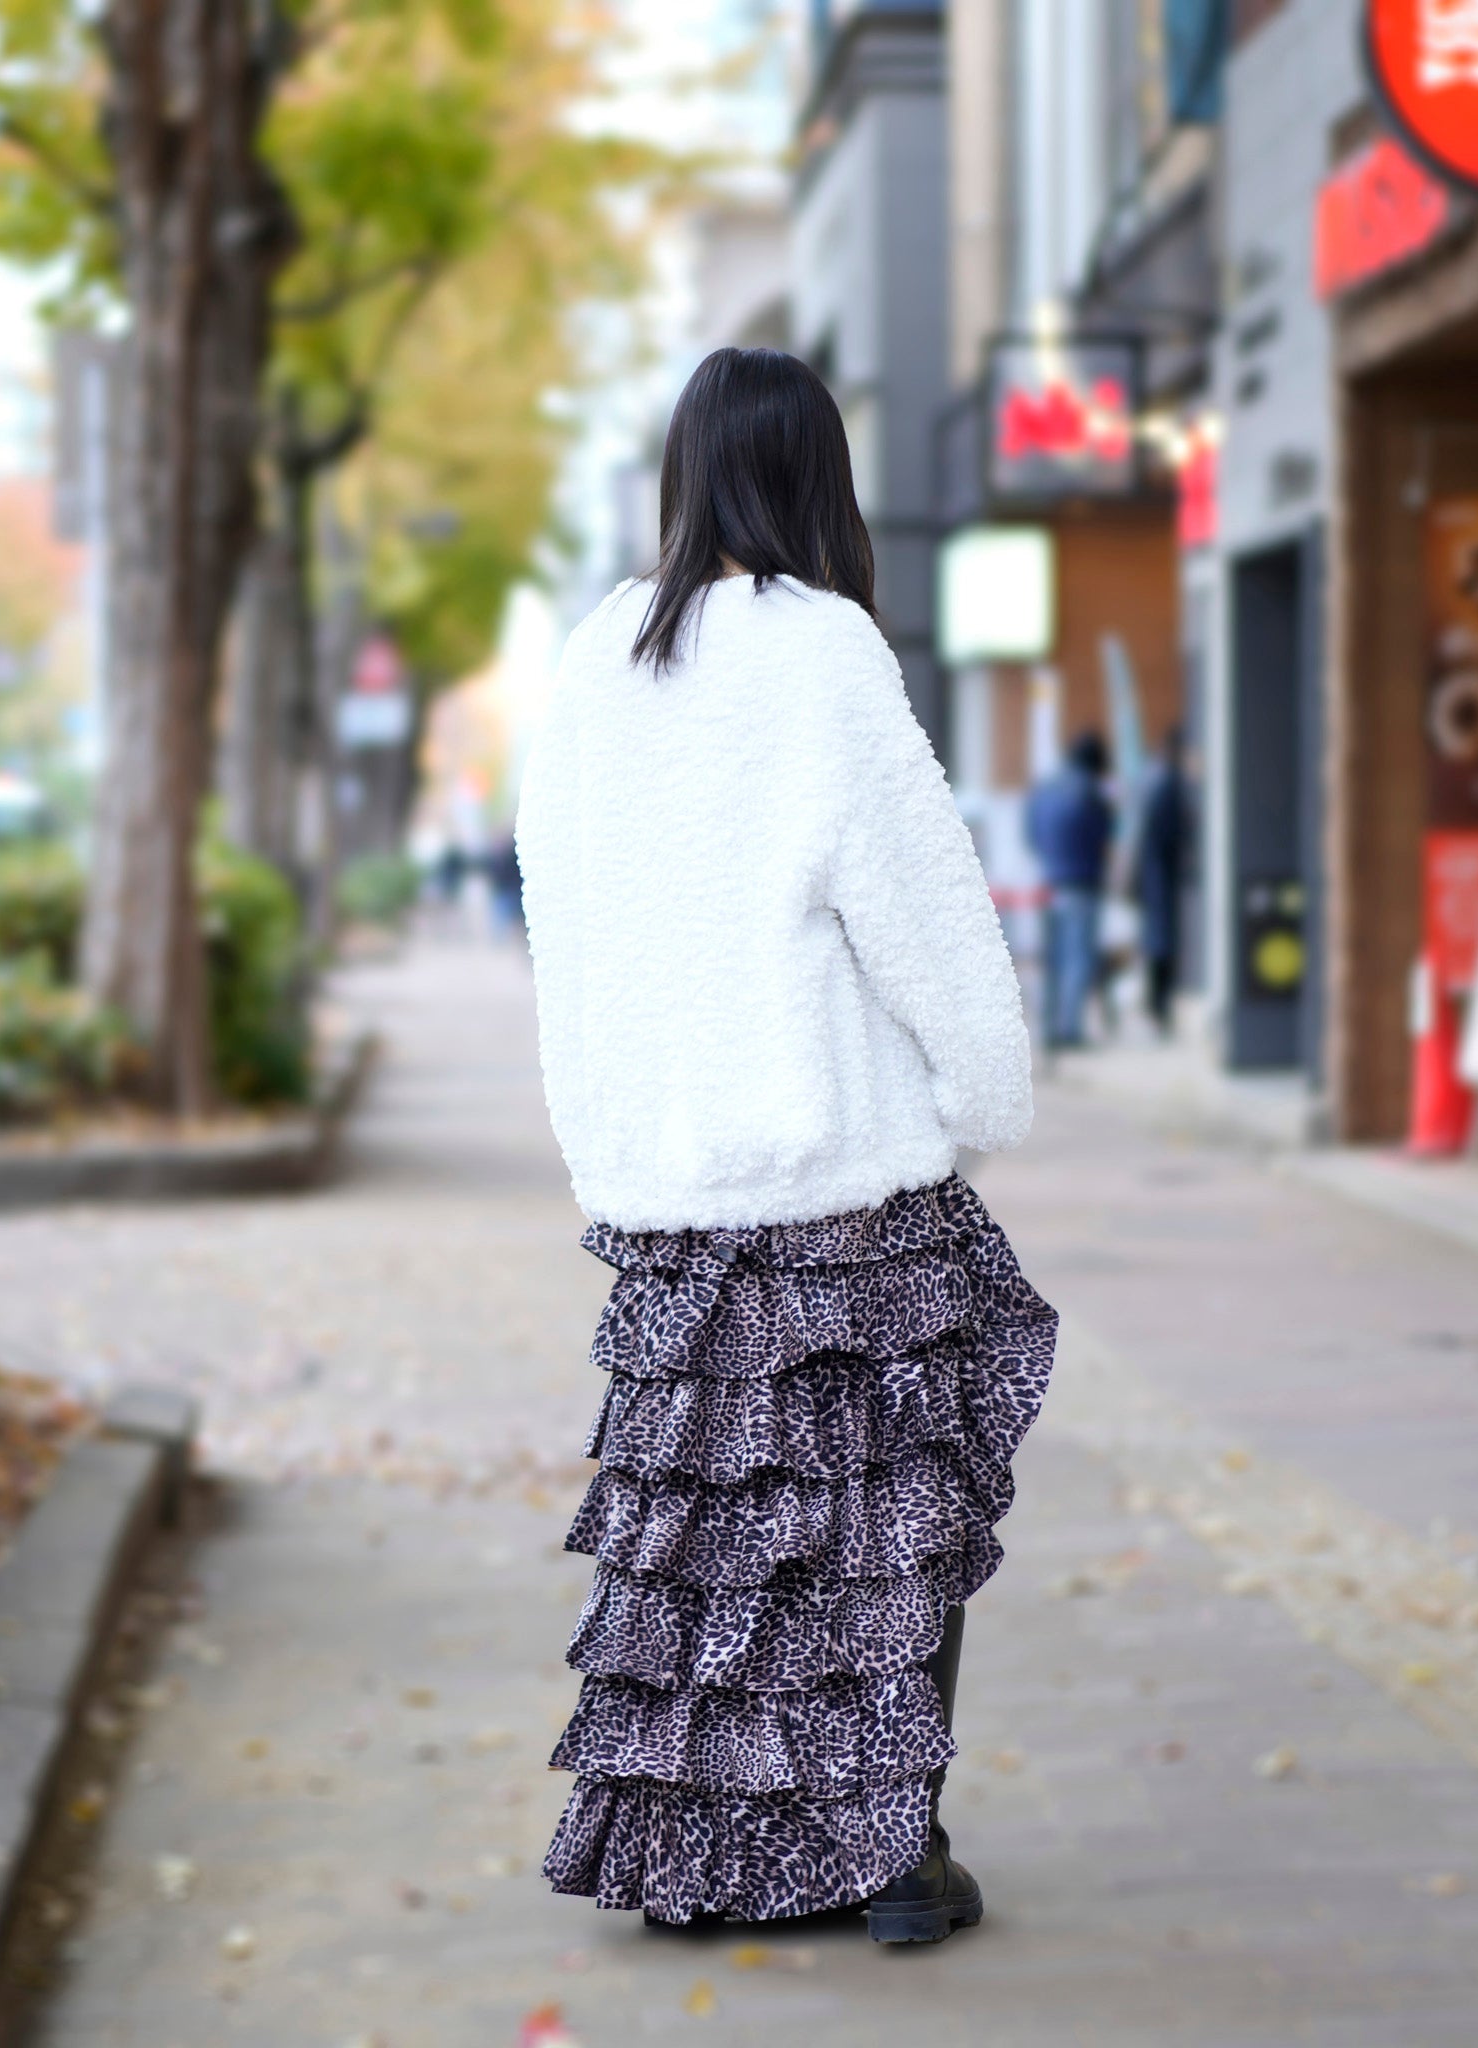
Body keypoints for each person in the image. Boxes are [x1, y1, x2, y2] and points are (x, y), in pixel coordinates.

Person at [515, 348, 1057, 1944]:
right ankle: (892, 1858)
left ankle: (703, 1862)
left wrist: (601, 1135)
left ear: (686, 472)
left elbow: (563, 920)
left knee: (710, 1553)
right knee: (897, 1510)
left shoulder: (592, 657)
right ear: (818, 477)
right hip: (841, 1184)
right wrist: (987, 1092)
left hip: (670, 1196)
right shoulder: (822, 651)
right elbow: (923, 906)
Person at [1025, 731, 1116, 1049]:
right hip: (1081, 884)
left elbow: (1031, 835)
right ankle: (1069, 1030)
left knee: (1052, 961)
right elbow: (1104, 836)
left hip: (1048, 883)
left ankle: (1049, 1028)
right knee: (1078, 959)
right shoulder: (1091, 792)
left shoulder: (1044, 788)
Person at [1136, 728, 1190, 1034]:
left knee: (1157, 938)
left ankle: (1156, 1003)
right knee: (1162, 940)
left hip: (1153, 872)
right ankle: (1158, 1005)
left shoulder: (1151, 780)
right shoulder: (1166, 783)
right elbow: (1168, 832)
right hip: (1161, 873)